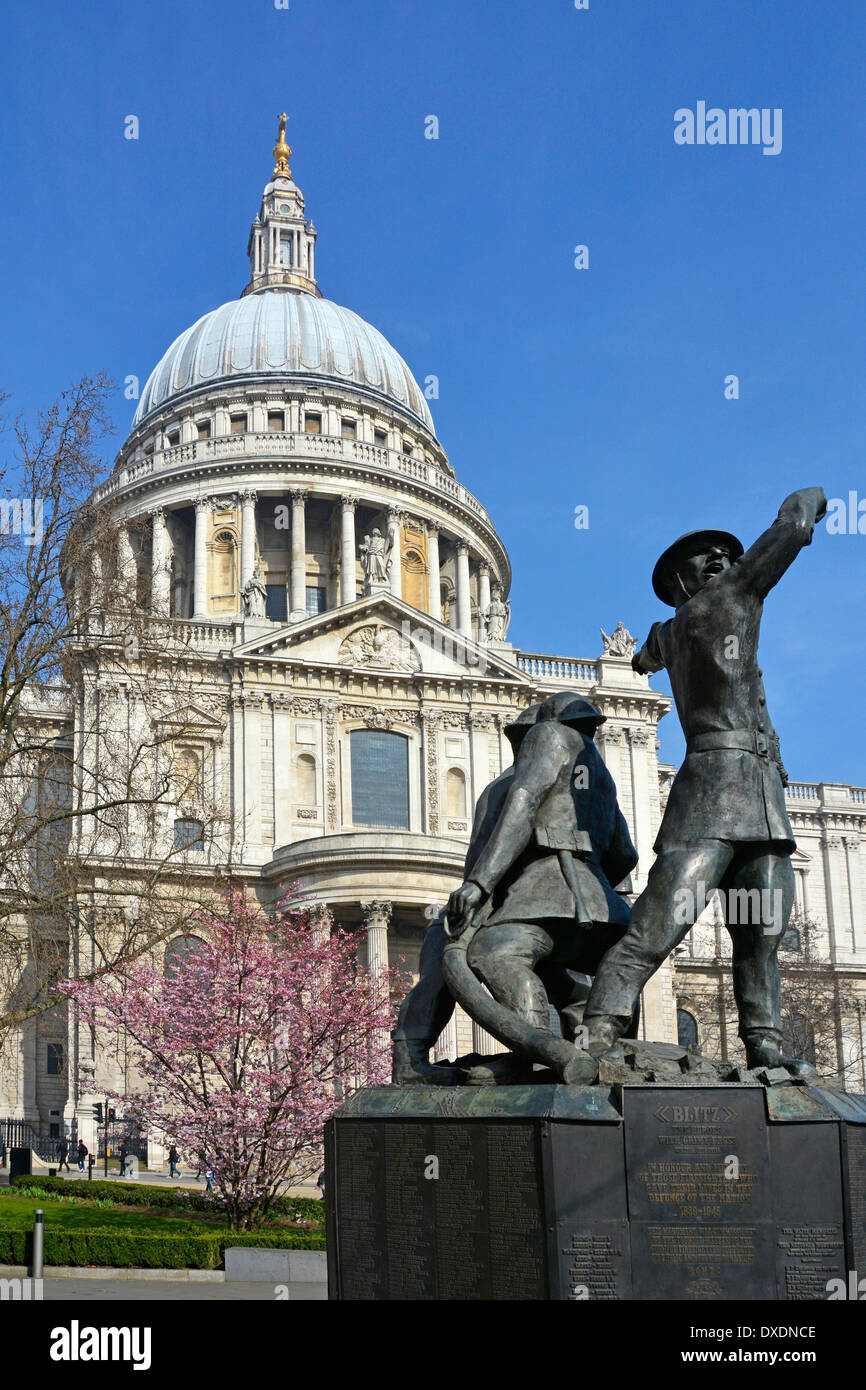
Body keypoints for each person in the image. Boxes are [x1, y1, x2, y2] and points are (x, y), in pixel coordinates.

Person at [582, 487, 827, 1073]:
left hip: (761, 798)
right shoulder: (734, 595)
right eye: (704, 558)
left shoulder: (669, 633)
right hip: (717, 787)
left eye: (724, 553)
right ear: (682, 584)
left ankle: (764, 1042)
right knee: (664, 916)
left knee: (760, 930)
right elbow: (791, 526)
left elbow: (645, 654)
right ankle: (598, 1024)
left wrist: (645, 658)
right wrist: (812, 499)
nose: (719, 559)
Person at [445, 693, 639, 1079]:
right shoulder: (599, 771)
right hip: (606, 911)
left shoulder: (547, 735)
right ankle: (591, 1058)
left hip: (553, 894)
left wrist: (479, 883)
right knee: (574, 986)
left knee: (493, 952)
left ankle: (535, 1051)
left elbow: (524, 800)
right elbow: (626, 854)